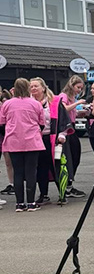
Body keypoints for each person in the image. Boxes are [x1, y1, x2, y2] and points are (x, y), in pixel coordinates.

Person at [0, 78, 47, 212]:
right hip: (32, 141)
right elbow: (42, 123)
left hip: (13, 141)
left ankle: (19, 203)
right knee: (31, 171)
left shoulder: (7, 104)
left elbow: (2, 123)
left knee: (18, 172)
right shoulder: (35, 104)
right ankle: (31, 202)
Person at [52, 75, 87, 198]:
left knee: (75, 155)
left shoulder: (72, 97)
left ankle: (69, 183)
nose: (79, 90)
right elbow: (64, 109)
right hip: (65, 128)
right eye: (78, 87)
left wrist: (80, 112)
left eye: (81, 88)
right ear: (72, 86)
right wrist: (77, 103)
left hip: (72, 126)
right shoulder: (64, 96)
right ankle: (67, 185)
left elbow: (71, 111)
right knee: (69, 156)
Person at [29, 78, 55, 205]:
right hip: (34, 137)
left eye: (36, 86)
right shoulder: (28, 102)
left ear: (43, 88)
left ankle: (63, 192)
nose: (33, 88)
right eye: (31, 86)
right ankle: (43, 194)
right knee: (40, 167)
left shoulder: (52, 101)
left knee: (54, 165)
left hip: (49, 136)